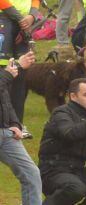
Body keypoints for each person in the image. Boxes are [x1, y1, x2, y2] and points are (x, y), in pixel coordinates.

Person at [0, 0, 41, 137]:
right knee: (5, 71)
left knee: (22, 75)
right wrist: (18, 17)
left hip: (24, 23)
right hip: (4, 22)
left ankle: (18, 124)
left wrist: (31, 16)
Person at [0, 51, 42, 204]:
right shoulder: (4, 74)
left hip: (6, 133)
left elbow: (3, 97)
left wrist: (14, 123)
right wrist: (9, 74)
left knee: (31, 174)